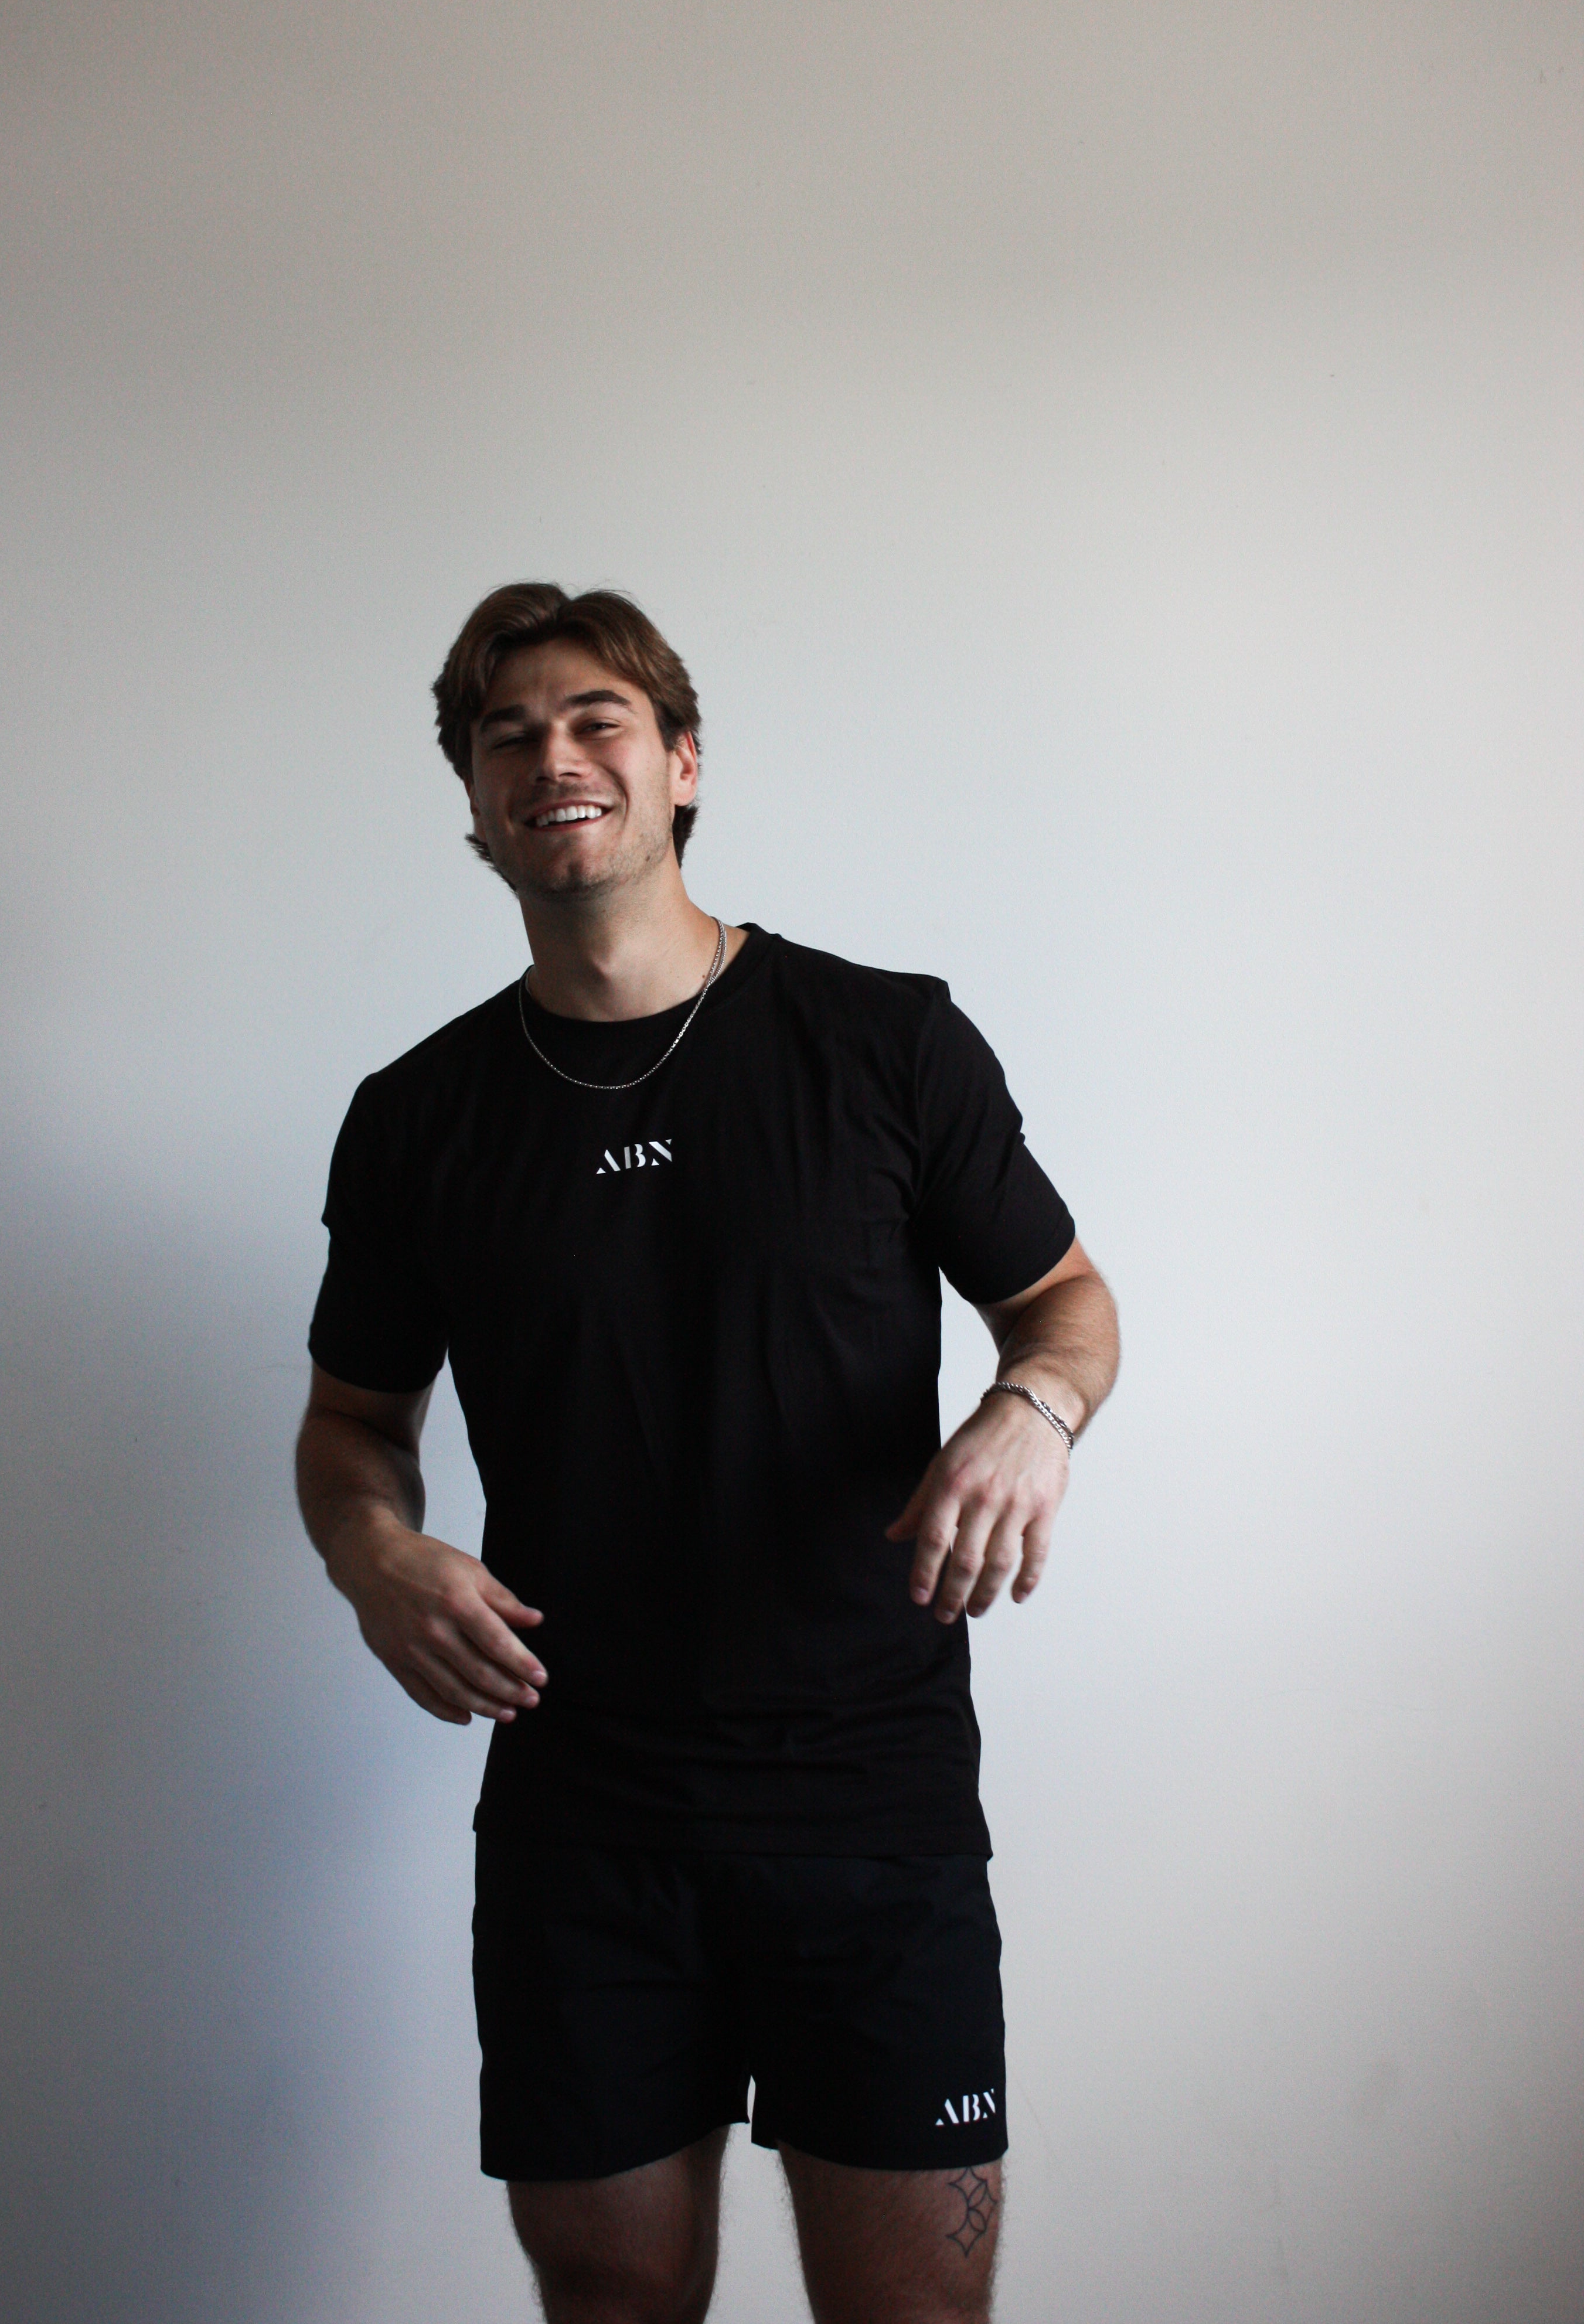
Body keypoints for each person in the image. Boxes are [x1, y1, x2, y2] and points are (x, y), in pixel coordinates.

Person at [295, 583, 1120, 2324]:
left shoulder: (884, 1042)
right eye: (507, 735)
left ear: (681, 764)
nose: (553, 756)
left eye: (595, 719)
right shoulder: (420, 1119)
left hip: (871, 1804)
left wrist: (1030, 1412)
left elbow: (1065, 1304)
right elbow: (353, 1426)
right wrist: (376, 1554)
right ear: (474, 804)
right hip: (581, 1815)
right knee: (611, 2300)